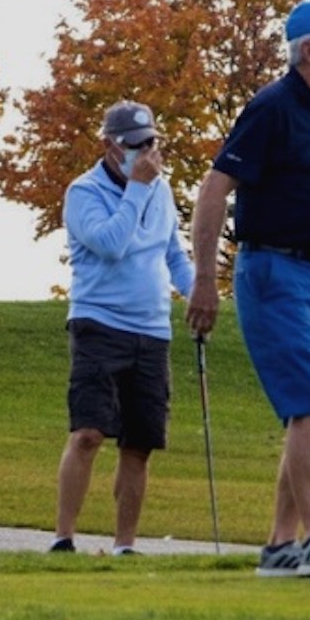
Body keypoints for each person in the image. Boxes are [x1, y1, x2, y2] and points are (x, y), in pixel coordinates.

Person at [187, 0, 310, 578]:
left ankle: (281, 546)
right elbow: (213, 190)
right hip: (273, 271)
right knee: (307, 406)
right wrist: (204, 280)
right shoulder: (272, 107)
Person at [50, 100, 194, 555]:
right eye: (135, 145)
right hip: (98, 322)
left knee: (139, 443)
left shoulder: (162, 190)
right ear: (109, 145)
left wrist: (199, 295)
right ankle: (63, 538)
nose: (145, 152)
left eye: (150, 142)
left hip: (152, 329)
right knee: (89, 433)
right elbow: (111, 245)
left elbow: (173, 253)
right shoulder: (83, 192)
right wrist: (136, 188)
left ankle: (124, 545)